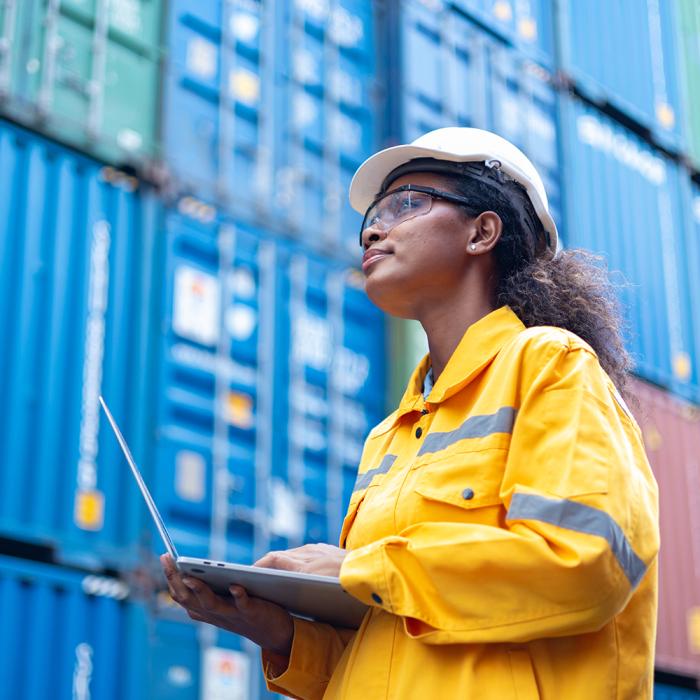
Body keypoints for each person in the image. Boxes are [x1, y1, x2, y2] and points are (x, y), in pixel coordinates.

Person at [161, 127, 659, 699]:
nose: (373, 228)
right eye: (372, 215)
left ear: (482, 231)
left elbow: (587, 566)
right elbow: (397, 650)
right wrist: (276, 631)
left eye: (406, 204)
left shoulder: (550, 366)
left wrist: (358, 569)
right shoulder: (391, 435)